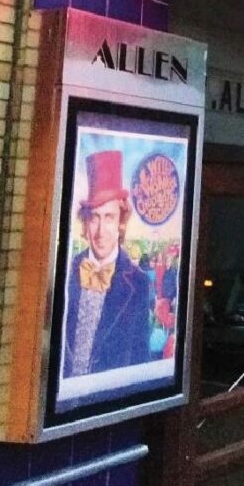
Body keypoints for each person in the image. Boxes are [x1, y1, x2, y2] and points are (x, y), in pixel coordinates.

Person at [63, 150, 152, 379]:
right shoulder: (66, 270)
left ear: (121, 222)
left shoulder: (139, 283)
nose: (101, 231)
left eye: (109, 217)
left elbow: (139, 360)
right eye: (95, 217)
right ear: (86, 221)